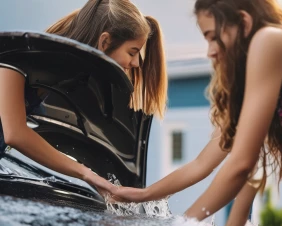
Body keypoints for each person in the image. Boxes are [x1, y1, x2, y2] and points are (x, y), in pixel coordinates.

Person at [111, 0, 282, 226]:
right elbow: (208, 163)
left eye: (213, 37)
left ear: (244, 22)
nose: (210, 51)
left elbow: (242, 164)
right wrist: (144, 195)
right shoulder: (263, 71)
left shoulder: (269, 41)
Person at [0, 0, 167, 196]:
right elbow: (16, 134)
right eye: (133, 52)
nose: (137, 63)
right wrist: (86, 174)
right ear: (104, 42)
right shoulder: (15, 58)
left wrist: (97, 178)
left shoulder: (58, 78)